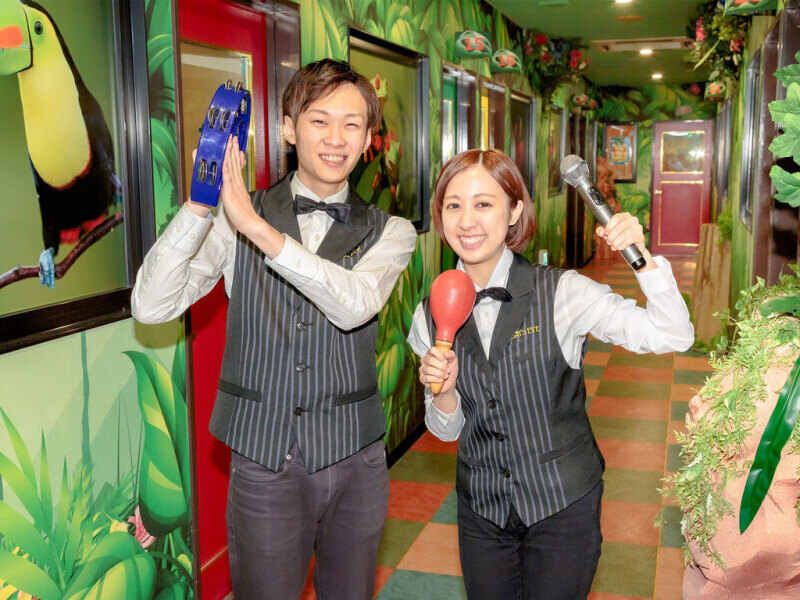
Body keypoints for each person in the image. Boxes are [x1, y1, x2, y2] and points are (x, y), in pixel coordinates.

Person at [132, 59, 417, 600]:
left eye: (352, 124)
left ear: (367, 140)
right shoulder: (235, 216)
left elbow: (353, 305)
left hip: (355, 458)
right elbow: (150, 306)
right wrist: (200, 204)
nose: (335, 139)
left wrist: (258, 230)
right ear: (288, 128)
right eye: (319, 120)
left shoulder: (393, 231)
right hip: (265, 455)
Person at [407, 149, 693, 599]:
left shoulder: (563, 292)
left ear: (514, 211)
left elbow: (672, 334)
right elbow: (446, 430)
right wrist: (444, 392)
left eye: (484, 204)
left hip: (562, 506)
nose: (467, 221)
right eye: (453, 205)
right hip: (482, 511)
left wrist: (641, 258)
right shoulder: (429, 313)